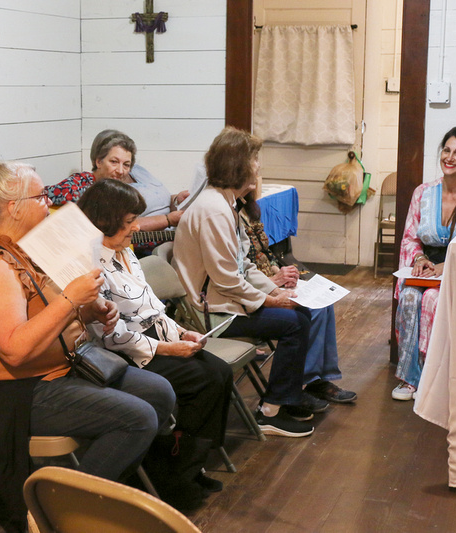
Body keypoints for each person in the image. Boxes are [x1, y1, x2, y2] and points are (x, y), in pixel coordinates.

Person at [0, 152, 175, 531]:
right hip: (16, 391)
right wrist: (71, 299)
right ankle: (58, 514)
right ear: (13, 208)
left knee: (159, 392)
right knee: (138, 419)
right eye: (40, 198)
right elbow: (15, 349)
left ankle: (102, 498)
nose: (50, 204)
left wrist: (86, 312)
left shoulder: (25, 254)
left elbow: (43, 320)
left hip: (56, 369)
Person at [78, 179, 233, 510]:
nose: (137, 226)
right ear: (106, 220)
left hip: (153, 339)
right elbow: (110, 336)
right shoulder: (90, 264)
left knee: (220, 372)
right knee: (202, 380)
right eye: (130, 221)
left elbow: (152, 307)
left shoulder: (125, 251)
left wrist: (180, 332)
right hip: (124, 353)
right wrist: (167, 349)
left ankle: (191, 467)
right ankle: (172, 476)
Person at [173, 126, 328, 439]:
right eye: (254, 160)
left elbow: (242, 265)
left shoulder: (226, 203)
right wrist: (272, 301)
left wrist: (276, 289)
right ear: (237, 166)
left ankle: (284, 398)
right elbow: (228, 280)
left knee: (300, 312)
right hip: (212, 314)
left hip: (225, 301)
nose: (258, 167)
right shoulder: (214, 210)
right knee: (294, 322)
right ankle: (271, 410)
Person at [392, 126, 456, 401]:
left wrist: (446, 266)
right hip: (423, 269)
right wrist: (421, 259)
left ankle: (433, 377)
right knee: (411, 297)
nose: (449, 157)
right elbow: (410, 237)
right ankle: (409, 378)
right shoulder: (422, 193)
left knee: (431, 300)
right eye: (446, 150)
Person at [239, 191, 357, 403]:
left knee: (323, 303)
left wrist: (279, 272)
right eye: (252, 171)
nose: (256, 176)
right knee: (308, 312)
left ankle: (317, 379)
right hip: (251, 295)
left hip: (267, 281)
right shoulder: (227, 213)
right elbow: (239, 273)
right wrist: (274, 284)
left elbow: (265, 254)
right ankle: (303, 382)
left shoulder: (248, 207)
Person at [46, 129, 189, 233]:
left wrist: (176, 199)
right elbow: (43, 195)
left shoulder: (120, 186)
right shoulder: (84, 184)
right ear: (98, 161)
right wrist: (168, 220)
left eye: (126, 165)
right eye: (114, 162)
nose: (121, 170)